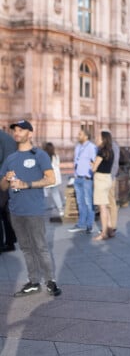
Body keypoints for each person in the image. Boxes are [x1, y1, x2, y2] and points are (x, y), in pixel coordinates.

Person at [0, 120, 61, 297]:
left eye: (21, 130)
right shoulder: (11, 158)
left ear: (30, 134)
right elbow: (3, 187)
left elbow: (51, 179)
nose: (17, 133)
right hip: (15, 211)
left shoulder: (39, 155)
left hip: (34, 210)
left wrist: (28, 184)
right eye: (15, 130)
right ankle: (34, 281)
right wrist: (6, 178)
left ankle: (50, 281)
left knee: (40, 247)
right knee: (26, 248)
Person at [69, 128, 96, 234]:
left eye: (80, 134)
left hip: (87, 179)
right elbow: (76, 160)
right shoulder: (78, 147)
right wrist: (75, 175)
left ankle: (89, 225)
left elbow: (94, 162)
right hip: (78, 178)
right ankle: (81, 224)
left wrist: (90, 175)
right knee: (80, 203)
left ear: (86, 136)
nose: (78, 136)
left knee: (89, 202)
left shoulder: (91, 147)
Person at [91, 131, 114, 241]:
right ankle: (110, 229)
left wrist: (91, 163)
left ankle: (104, 232)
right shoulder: (110, 151)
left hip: (100, 180)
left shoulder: (101, 152)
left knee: (102, 207)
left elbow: (94, 168)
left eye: (98, 137)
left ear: (104, 139)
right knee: (106, 205)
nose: (96, 139)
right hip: (108, 178)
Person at [0, 126, 17, 252]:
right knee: (6, 213)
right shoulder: (9, 137)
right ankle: (10, 242)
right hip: (10, 177)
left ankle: (1, 245)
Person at [103, 130, 120, 237]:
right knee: (106, 203)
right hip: (104, 177)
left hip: (109, 177)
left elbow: (115, 164)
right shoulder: (104, 147)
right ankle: (108, 225)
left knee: (111, 202)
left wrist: (110, 176)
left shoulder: (113, 147)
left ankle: (112, 226)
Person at [42, 142, 64, 220]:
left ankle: (40, 209)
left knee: (43, 195)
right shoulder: (56, 157)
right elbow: (57, 165)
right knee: (55, 194)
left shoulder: (43, 157)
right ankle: (60, 209)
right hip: (55, 179)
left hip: (46, 178)